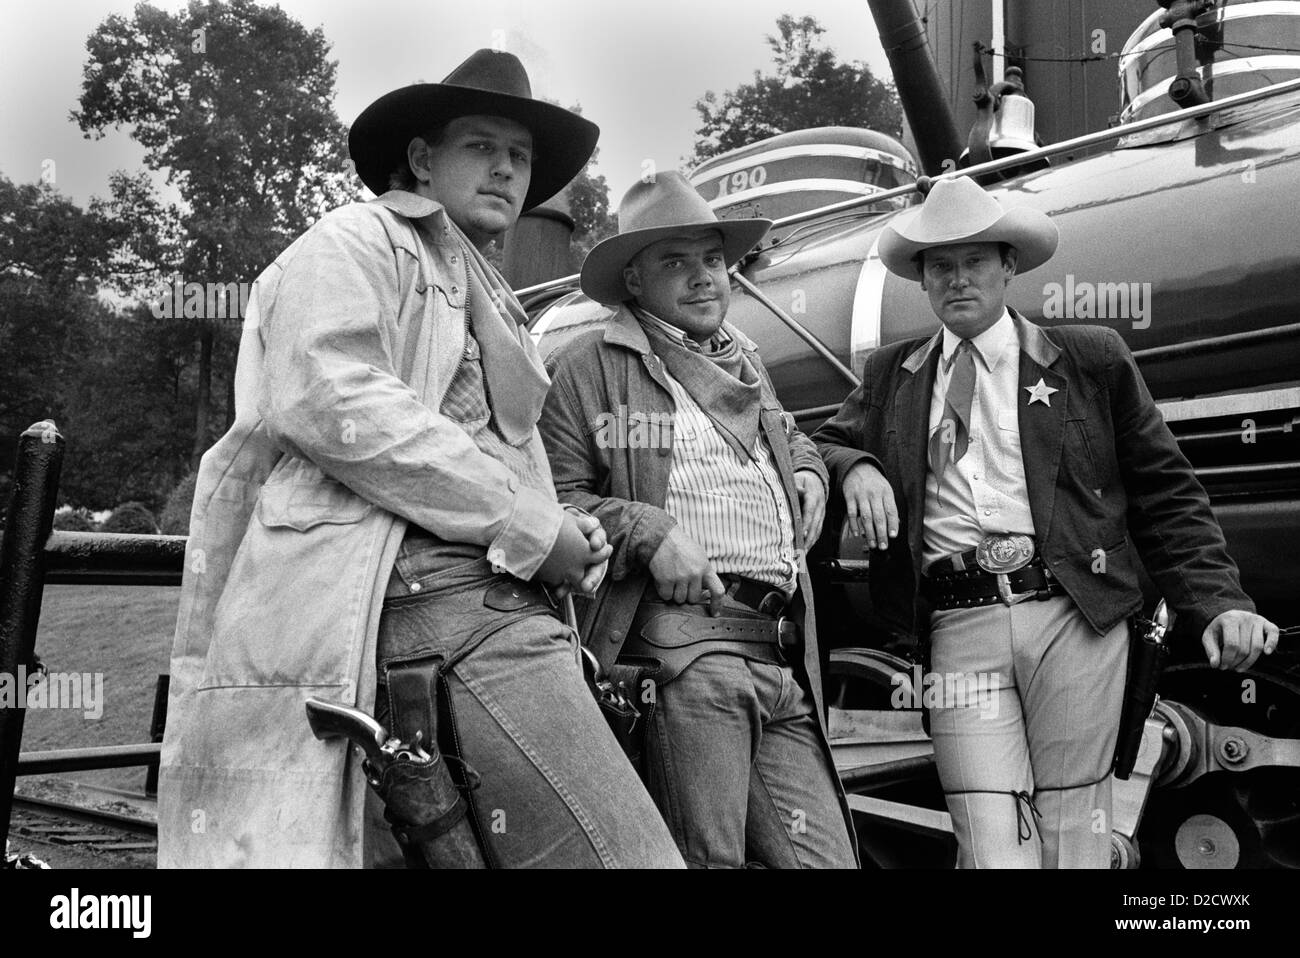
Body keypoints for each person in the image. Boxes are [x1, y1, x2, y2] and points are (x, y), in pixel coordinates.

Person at [159, 49, 684, 868]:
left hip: (488, 603)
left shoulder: (492, 297)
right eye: (482, 145)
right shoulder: (356, 238)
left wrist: (564, 530)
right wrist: (526, 523)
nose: (507, 168)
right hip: (420, 599)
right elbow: (332, 397)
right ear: (420, 158)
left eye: (521, 156)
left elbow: (491, 456)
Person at [812, 175, 1280, 868]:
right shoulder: (892, 375)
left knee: (1074, 840)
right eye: (940, 266)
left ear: (1008, 267)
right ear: (922, 280)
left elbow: (1165, 493)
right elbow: (819, 444)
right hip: (956, 627)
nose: (957, 279)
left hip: (1075, 618)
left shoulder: (1091, 358)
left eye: (974, 261)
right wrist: (857, 467)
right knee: (992, 848)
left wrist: (1216, 603)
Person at [539, 172, 859, 868]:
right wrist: (650, 532)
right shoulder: (588, 366)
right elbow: (553, 502)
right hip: (687, 657)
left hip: (780, 656)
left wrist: (809, 469)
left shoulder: (745, 362)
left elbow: (784, 435)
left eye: (712, 260)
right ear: (632, 280)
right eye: (675, 262)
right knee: (706, 859)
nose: (703, 278)